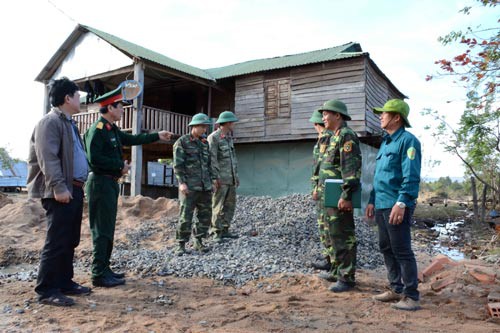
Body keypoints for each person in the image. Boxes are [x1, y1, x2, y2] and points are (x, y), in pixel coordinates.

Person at [84, 85, 172, 287]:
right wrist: (119, 166)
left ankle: (105, 269)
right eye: (120, 107)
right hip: (100, 183)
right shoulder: (96, 130)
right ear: (110, 108)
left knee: (108, 229)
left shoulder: (111, 129)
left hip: (109, 183)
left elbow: (132, 138)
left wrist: (157, 135)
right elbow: (94, 159)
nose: (123, 110)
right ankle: (98, 273)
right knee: (101, 230)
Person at [27, 77, 90, 306]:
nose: (80, 99)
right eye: (77, 95)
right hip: (60, 191)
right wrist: (59, 187)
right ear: (67, 98)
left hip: (74, 189)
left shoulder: (69, 123)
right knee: (57, 240)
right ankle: (46, 289)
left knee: (69, 239)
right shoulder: (50, 122)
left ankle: (64, 282)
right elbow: (48, 158)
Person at [365, 99, 422, 311]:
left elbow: (411, 176)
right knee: (386, 247)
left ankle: (411, 296)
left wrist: (402, 202)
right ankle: (396, 288)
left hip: (396, 205)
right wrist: (371, 200)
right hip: (381, 204)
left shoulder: (408, 141)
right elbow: (379, 176)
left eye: (384, 113)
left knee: (402, 250)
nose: (380, 116)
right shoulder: (386, 142)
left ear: (397, 117)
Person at [313, 99, 362, 293]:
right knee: (332, 234)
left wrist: (347, 194)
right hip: (329, 193)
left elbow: (351, 168)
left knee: (343, 236)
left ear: (338, 115)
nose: (323, 117)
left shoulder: (346, 136)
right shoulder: (334, 136)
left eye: (326, 114)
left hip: (339, 194)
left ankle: (346, 277)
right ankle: (335, 270)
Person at [173, 113, 215, 255]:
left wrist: (212, 181)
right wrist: (181, 182)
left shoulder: (205, 143)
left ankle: (199, 241)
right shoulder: (182, 142)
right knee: (186, 216)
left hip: (205, 187)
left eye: (205, 127)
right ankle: (181, 244)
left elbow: (209, 164)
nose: (205, 129)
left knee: (205, 215)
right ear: (194, 126)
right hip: (189, 187)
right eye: (202, 126)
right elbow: (178, 165)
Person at [208, 111, 240, 243]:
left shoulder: (228, 138)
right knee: (217, 205)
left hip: (230, 178)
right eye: (233, 122)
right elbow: (212, 158)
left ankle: (225, 229)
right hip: (221, 178)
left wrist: (236, 176)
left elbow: (233, 159)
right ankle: (215, 231)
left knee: (230, 205)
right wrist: (214, 177)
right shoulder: (214, 137)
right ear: (227, 123)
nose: (234, 125)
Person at [309, 109, 332, 271]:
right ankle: (328, 257)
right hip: (322, 188)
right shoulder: (322, 139)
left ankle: (331, 260)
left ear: (316, 124)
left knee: (327, 226)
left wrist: (316, 188)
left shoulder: (326, 139)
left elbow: (321, 167)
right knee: (323, 226)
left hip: (325, 189)